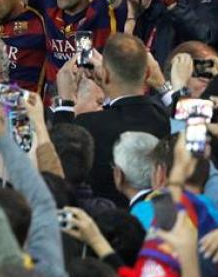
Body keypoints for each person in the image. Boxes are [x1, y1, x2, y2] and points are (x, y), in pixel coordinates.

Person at [53, 34, 170, 205]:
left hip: (101, 223)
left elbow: (60, 156)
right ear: (147, 74)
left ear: (105, 74)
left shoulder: (88, 124)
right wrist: (163, 87)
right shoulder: (163, 117)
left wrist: (65, 102)